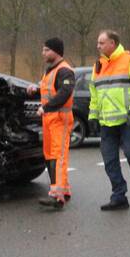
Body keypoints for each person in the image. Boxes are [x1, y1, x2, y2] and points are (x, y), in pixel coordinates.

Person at [88, 29, 130, 210]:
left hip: (127, 120)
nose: (98, 46)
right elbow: (94, 93)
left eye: (101, 43)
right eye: (98, 43)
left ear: (112, 44)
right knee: (109, 161)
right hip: (107, 123)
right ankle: (119, 195)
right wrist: (93, 115)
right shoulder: (98, 65)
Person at [25, 37, 76, 210]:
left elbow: (64, 92)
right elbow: (49, 89)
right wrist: (36, 89)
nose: (43, 53)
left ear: (56, 51)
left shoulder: (65, 71)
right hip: (50, 119)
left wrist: (46, 107)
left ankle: (57, 196)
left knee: (58, 156)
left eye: (46, 50)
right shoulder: (50, 70)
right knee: (50, 155)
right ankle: (62, 190)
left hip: (59, 119)